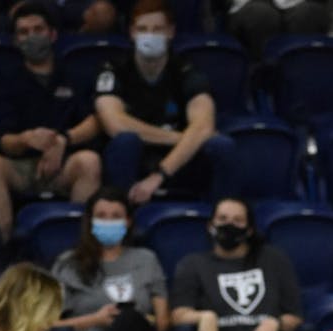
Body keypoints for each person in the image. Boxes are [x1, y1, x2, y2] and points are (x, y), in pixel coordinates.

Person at [0, 1, 102, 241]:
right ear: (15, 40)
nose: (31, 37)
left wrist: (63, 141)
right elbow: (4, 140)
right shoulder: (4, 80)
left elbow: (94, 122)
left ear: (52, 34)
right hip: (21, 166)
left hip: (64, 164)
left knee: (90, 161)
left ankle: (77, 249)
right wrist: (26, 140)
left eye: (38, 30)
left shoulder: (74, 75)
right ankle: (4, 248)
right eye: (24, 32)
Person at [94, 0, 236, 204]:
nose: (149, 35)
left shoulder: (186, 70)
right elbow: (116, 124)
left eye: (157, 29)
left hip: (178, 160)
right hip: (137, 156)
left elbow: (204, 125)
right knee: (126, 141)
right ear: (132, 32)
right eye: (142, 29)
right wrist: (180, 138)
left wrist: (160, 175)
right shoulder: (114, 68)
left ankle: (224, 216)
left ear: (170, 32)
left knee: (222, 146)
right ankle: (122, 216)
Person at [49, 186, 168, 331]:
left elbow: (162, 323)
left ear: (129, 221)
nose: (109, 221)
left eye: (116, 216)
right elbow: (46, 326)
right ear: (90, 221)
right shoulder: (69, 264)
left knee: (131, 320)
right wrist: (95, 320)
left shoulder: (146, 259)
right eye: (102, 216)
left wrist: (140, 321)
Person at [170, 197, 304, 331]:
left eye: (237, 220)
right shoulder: (193, 263)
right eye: (223, 219)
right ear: (210, 225)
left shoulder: (274, 259)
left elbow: (295, 316)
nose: (229, 225)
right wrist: (203, 316)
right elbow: (177, 314)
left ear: (249, 229)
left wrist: (277, 322)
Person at [225, 0, 331, 59]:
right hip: (249, 5)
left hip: (297, 5)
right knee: (261, 15)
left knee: (309, 13)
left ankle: (301, 76)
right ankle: (263, 77)